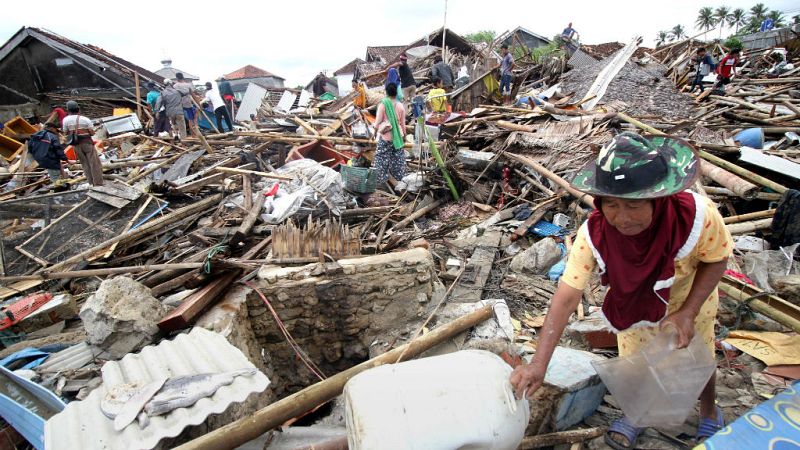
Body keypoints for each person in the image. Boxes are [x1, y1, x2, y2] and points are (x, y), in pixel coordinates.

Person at [510, 132, 732, 449]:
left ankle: (710, 410)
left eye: (634, 206)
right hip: (633, 304)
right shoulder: (595, 234)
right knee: (636, 363)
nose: (622, 218)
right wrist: (538, 364)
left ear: (659, 199)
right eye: (611, 205)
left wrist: (688, 312)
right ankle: (637, 412)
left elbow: (717, 259)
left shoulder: (696, 217)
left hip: (689, 297)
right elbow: (567, 295)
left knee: (699, 357)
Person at [372, 82, 407, 191]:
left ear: (386, 93)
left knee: (381, 159)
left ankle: (384, 181)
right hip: (398, 137)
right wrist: (404, 136)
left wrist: (374, 134)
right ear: (396, 93)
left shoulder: (383, 105)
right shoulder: (400, 106)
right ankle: (398, 181)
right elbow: (402, 124)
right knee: (397, 159)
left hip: (386, 137)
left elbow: (377, 123)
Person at [62, 101, 103, 186]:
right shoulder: (85, 119)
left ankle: (91, 182)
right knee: (94, 163)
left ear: (68, 110)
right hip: (87, 143)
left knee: (85, 164)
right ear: (78, 109)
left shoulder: (65, 120)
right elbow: (91, 133)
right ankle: (98, 183)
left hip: (76, 145)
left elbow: (65, 133)